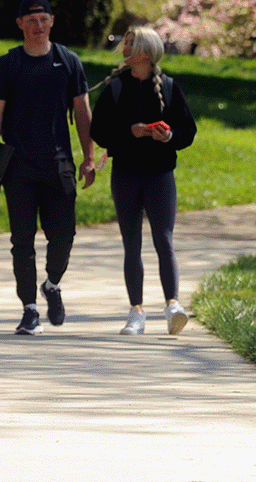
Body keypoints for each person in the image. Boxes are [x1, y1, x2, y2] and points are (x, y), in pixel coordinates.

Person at [0, 0, 97, 336]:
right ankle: (29, 308)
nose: (38, 25)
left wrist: (89, 157)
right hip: (19, 165)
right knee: (22, 240)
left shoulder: (68, 61)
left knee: (63, 236)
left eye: (43, 19)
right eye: (31, 20)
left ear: (52, 21)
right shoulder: (9, 64)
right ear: (20, 24)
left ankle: (52, 284)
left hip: (59, 162)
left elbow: (82, 112)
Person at [90, 26, 198, 335]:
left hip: (160, 176)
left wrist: (168, 136)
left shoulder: (169, 86)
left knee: (164, 239)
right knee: (131, 243)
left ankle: (173, 306)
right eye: (125, 44)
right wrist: (129, 132)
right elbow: (98, 131)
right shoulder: (116, 87)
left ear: (146, 52)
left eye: (129, 44)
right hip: (125, 175)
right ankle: (136, 312)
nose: (123, 49)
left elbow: (187, 132)